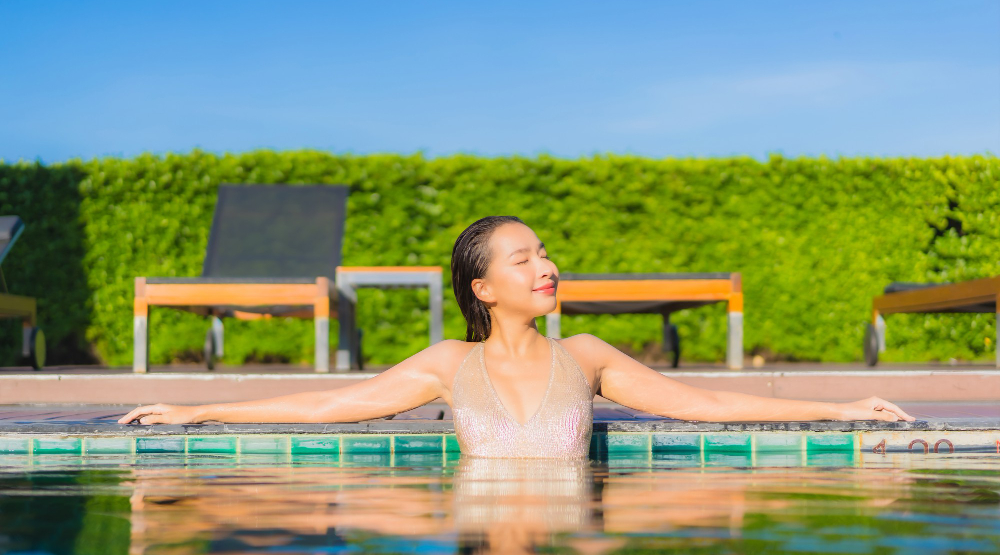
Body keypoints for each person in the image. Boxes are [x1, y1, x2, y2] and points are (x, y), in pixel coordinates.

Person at [120, 215, 914, 456]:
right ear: (483, 286)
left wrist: (846, 405)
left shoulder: (589, 358)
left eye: (545, 252)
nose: (548, 265)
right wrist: (192, 412)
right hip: (471, 527)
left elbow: (702, 402)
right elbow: (331, 404)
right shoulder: (446, 363)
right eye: (524, 257)